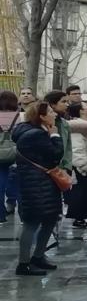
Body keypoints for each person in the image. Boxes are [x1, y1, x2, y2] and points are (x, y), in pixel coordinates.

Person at [13, 101, 64, 276]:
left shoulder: (32, 131)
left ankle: (38, 256)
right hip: (36, 185)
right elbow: (55, 155)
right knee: (31, 223)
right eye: (50, 111)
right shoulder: (36, 134)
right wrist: (55, 136)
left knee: (49, 219)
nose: (54, 114)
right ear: (41, 116)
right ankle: (24, 263)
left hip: (42, 183)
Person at [0, 90, 21, 222]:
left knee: (0, 185)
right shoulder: (20, 117)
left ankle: (1, 215)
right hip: (15, 153)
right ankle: (23, 213)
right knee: (18, 184)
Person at [44, 90, 73, 173]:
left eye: (68, 102)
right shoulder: (40, 123)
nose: (67, 105)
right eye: (63, 102)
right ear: (52, 104)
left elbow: (68, 148)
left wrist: (67, 167)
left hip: (62, 171)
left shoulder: (64, 123)